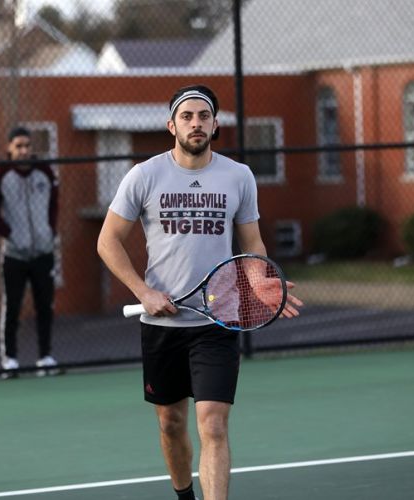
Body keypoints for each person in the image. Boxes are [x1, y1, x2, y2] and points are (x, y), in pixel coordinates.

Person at [96, 85, 303, 500]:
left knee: (212, 423)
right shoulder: (144, 175)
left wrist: (257, 277)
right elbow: (107, 241)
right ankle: (184, 495)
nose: (196, 123)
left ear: (215, 125)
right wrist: (144, 290)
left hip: (218, 320)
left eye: (204, 116)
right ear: (172, 124)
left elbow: (252, 242)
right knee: (171, 423)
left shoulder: (238, 176)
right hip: (162, 324)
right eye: (187, 116)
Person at [0, 126, 59, 377]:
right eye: (18, 146)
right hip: (15, 254)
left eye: (27, 145)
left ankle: (46, 357)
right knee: (12, 306)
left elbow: (53, 205)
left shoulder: (46, 172)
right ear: (9, 148)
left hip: (43, 251)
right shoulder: (0, 175)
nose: (24, 150)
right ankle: (10, 360)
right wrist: (9, 234)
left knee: (45, 305)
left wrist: (48, 231)